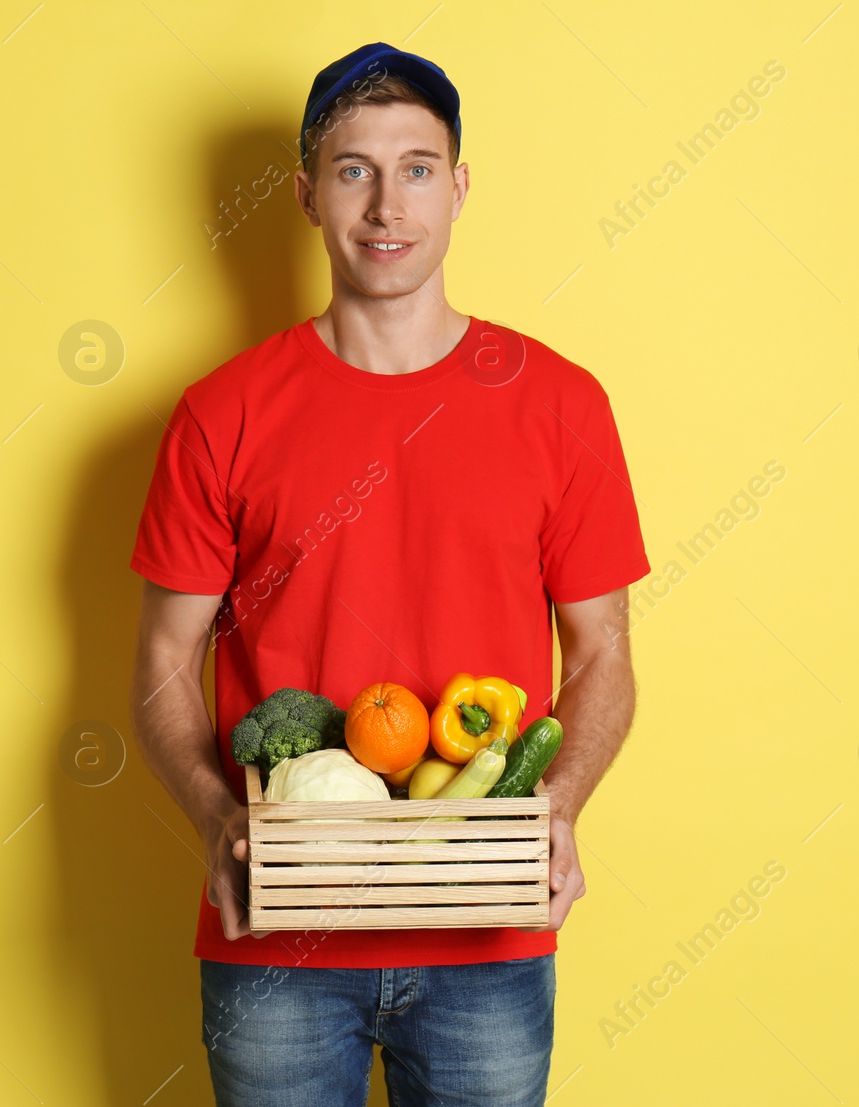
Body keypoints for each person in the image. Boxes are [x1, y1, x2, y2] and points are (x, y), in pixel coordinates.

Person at [128, 41, 650, 1107]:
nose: (385, 205)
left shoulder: (561, 407)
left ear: (457, 189)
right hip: (275, 939)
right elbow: (163, 662)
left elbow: (602, 650)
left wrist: (557, 808)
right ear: (307, 194)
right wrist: (214, 817)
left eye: (417, 167)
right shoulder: (221, 413)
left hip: (489, 943)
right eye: (353, 169)